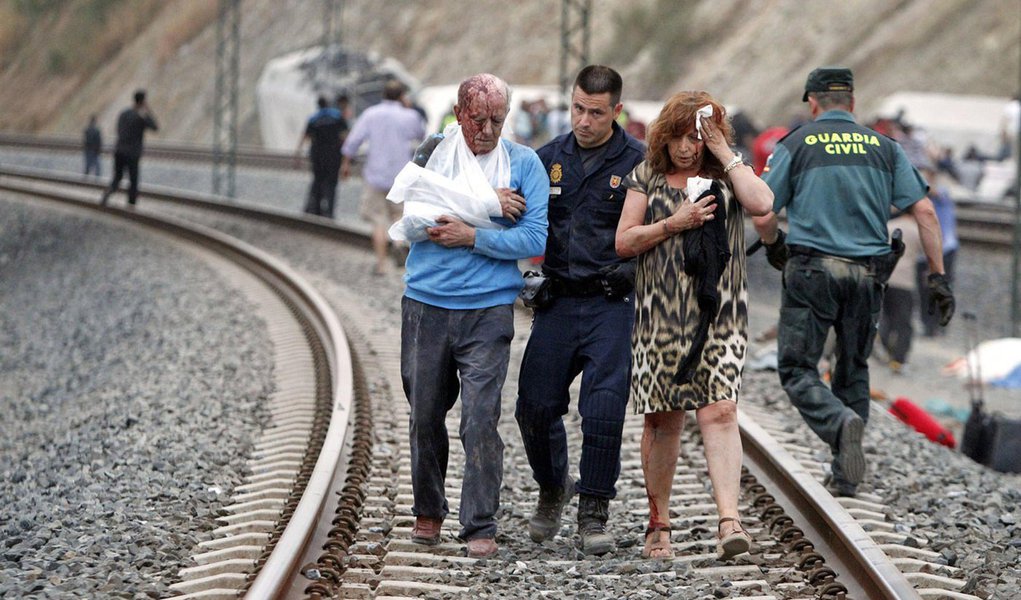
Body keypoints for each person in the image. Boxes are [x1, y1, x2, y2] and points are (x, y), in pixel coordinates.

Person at [751, 67, 955, 498]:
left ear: (812, 102)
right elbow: (926, 213)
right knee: (853, 367)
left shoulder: (797, 143)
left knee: (797, 367)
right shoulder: (886, 148)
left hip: (813, 272)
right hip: (867, 275)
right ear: (853, 103)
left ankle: (838, 423)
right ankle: (846, 474)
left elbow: (763, 210)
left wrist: (772, 246)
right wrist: (937, 278)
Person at [615, 91, 774, 560]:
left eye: (696, 137)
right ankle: (658, 524)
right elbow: (624, 242)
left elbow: (763, 203)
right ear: (664, 136)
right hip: (660, 315)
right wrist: (674, 223)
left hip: (720, 313)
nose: (687, 147)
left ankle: (730, 523)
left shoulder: (728, 172)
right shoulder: (646, 175)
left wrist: (724, 150)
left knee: (720, 412)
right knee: (664, 421)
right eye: (679, 137)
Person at [401, 73, 548, 559]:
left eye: (497, 121)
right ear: (459, 114)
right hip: (427, 305)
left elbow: (534, 240)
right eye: (478, 120)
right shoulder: (432, 152)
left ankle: (479, 522)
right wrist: (487, 206)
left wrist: (473, 234)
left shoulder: (523, 164)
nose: (486, 130)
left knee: (480, 420)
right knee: (425, 416)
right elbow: (413, 220)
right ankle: (429, 510)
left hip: (487, 310)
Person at [515, 65, 645, 556]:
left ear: (616, 111)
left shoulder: (638, 162)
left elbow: (657, 233)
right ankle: (553, 487)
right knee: (534, 405)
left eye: (595, 112)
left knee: (605, 408)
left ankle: (594, 512)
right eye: (577, 108)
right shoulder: (547, 158)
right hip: (560, 301)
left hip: (612, 303)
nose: (584, 120)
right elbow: (517, 217)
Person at [341, 80, 425, 274]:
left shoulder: (371, 115)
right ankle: (398, 244)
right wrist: (409, 109)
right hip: (401, 176)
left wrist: (345, 164)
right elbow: (422, 135)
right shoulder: (409, 116)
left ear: (383, 95)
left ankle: (380, 264)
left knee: (377, 219)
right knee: (398, 215)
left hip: (375, 175)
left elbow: (353, 141)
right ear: (402, 96)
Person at [915, 161, 959, 337]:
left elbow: (934, 192)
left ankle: (941, 323)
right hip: (923, 251)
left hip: (945, 249)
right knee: (924, 289)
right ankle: (928, 325)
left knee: (942, 286)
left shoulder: (942, 194)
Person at [878, 210, 922, 373]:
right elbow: (925, 252)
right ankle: (899, 359)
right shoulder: (916, 231)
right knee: (903, 323)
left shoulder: (889, 226)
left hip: (885, 278)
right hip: (905, 282)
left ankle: (883, 349)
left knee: (885, 317)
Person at [101, 89, 158, 206]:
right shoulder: (141, 117)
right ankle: (131, 205)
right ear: (143, 102)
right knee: (133, 180)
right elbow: (155, 127)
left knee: (117, 177)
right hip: (132, 153)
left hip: (119, 150)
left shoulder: (124, 113)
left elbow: (118, 129)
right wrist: (148, 111)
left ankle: (108, 193)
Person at [295, 95, 347, 218]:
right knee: (332, 183)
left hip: (317, 155)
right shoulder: (337, 116)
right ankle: (329, 211)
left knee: (318, 181)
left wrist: (297, 153)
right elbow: (344, 136)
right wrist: (347, 156)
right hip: (334, 155)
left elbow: (305, 136)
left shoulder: (314, 119)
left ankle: (315, 209)